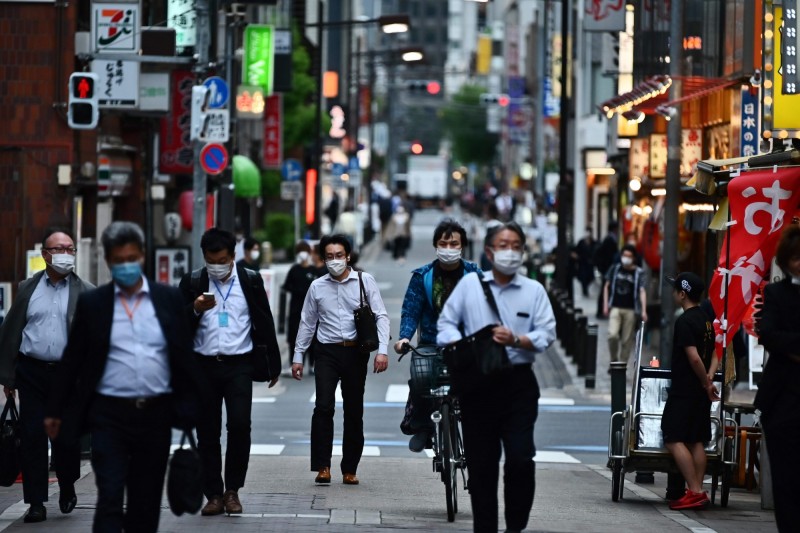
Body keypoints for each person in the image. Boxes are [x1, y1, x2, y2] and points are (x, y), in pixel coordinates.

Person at [43, 221, 202, 532]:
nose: (126, 266)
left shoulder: (166, 300)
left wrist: (193, 406)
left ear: (142, 256)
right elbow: (73, 360)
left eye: (132, 258)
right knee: (111, 496)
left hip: (154, 415)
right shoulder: (94, 304)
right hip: (109, 415)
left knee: (145, 502)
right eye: (119, 260)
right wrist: (55, 409)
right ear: (108, 261)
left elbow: (184, 357)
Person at [437, 222, 556, 533]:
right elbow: (446, 324)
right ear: (489, 252)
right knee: (482, 466)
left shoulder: (534, 290)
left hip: (518, 384)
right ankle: (485, 528)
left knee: (520, 458)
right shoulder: (470, 286)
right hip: (478, 383)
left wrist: (517, 339)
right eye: (503, 245)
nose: (510, 251)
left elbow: (546, 334)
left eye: (516, 245)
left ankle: (515, 526)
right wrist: (461, 343)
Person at [179, 228, 281, 516]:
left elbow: (264, 320)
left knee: (239, 426)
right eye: (212, 261)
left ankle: (232, 490)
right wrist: (195, 308)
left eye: (223, 260)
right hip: (203, 365)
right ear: (204, 258)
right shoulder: (192, 282)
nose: (217, 266)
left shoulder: (250, 280)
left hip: (239, 364)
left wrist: (273, 364)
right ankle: (212, 493)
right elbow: (175, 322)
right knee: (207, 433)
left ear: (233, 256)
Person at [0, 229, 93, 523]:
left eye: (70, 248)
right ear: (45, 255)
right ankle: (36, 501)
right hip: (33, 372)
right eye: (59, 248)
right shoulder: (28, 288)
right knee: (32, 438)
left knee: (67, 439)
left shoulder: (86, 291)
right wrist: (8, 377)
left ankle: (66, 486)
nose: (66, 253)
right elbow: (12, 330)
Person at [291, 234, 390, 485]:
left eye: (339, 256)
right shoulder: (317, 287)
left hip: (356, 352)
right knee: (323, 406)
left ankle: (350, 468)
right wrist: (298, 356)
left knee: (353, 410)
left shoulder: (364, 281)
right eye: (329, 256)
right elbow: (307, 322)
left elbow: (381, 316)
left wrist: (382, 351)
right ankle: (323, 465)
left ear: (348, 256)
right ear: (322, 258)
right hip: (326, 351)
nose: (335, 261)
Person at [393, 220, 480, 452]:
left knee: (476, 386)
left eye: (454, 244)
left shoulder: (474, 274)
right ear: (435, 245)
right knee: (421, 377)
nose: (448, 248)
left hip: (466, 342)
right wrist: (404, 338)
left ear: (462, 247)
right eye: (443, 243)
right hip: (431, 342)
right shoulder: (423, 276)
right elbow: (411, 310)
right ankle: (423, 427)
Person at [754, 224, 800, 532]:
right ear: (785, 261)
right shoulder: (775, 292)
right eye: (796, 258)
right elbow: (767, 333)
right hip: (783, 399)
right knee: (785, 479)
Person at [661, 272, 719, 510]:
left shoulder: (684, 321)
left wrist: (705, 381)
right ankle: (698, 491)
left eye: (676, 289)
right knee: (696, 440)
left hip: (685, 389)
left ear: (682, 294)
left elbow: (693, 358)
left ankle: (694, 490)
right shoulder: (706, 319)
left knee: (673, 437)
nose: (674, 292)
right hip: (700, 391)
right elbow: (717, 350)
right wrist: (709, 378)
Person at [603, 244, 648, 367]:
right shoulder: (615, 269)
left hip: (631, 309)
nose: (626, 258)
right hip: (615, 307)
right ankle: (613, 360)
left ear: (633, 258)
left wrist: (644, 310)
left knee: (626, 340)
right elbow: (606, 286)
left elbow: (642, 291)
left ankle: (621, 366)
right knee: (612, 335)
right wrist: (605, 305)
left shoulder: (639, 273)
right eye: (624, 255)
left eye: (629, 256)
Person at [280, 241, 322, 371]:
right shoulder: (294, 270)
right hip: (296, 308)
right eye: (300, 251)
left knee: (313, 336)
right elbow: (286, 286)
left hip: (312, 310)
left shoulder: (314, 270)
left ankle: (312, 364)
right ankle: (295, 362)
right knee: (294, 336)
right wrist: (297, 290)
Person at [593, 221, 619, 318]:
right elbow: (607, 256)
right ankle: (601, 311)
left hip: (607, 269)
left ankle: (603, 310)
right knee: (605, 290)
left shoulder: (610, 239)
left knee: (606, 290)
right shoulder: (609, 240)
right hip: (607, 270)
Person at [574, 229, 596, 297]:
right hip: (582, 263)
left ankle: (586, 288)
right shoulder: (581, 242)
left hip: (590, 264)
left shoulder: (593, 242)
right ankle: (584, 290)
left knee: (590, 277)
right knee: (583, 277)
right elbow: (577, 251)